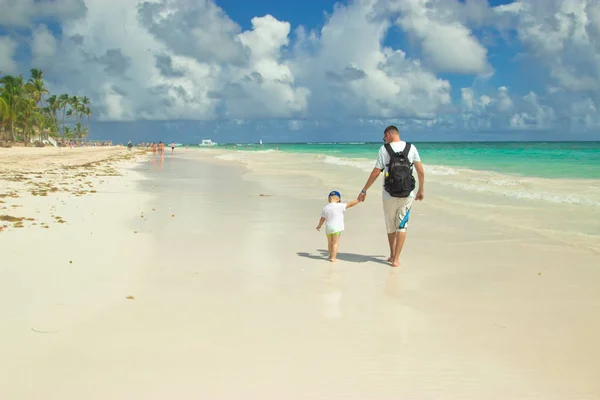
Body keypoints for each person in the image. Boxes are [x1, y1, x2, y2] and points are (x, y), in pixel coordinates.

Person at [357, 125, 425, 268]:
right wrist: (421, 190)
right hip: (407, 193)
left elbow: (376, 172)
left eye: (384, 137)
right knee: (402, 225)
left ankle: (392, 254)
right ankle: (396, 259)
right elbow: (421, 171)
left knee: (390, 226)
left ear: (389, 134)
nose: (384, 140)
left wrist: (364, 190)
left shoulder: (384, 149)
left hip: (388, 194)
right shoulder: (411, 148)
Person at [316, 191, 360, 262]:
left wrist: (319, 226)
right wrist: (358, 200)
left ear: (328, 199)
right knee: (335, 243)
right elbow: (350, 204)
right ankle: (333, 258)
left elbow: (322, 219)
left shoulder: (325, 208)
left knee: (330, 243)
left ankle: (330, 255)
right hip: (336, 228)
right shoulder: (340, 206)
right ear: (338, 199)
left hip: (328, 228)